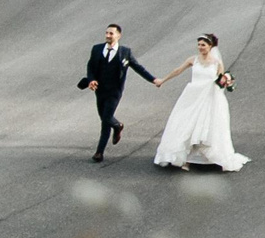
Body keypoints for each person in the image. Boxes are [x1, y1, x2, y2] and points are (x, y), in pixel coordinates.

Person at [151, 33, 248, 171]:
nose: (200, 47)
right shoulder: (193, 60)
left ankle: (209, 158)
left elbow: (220, 81)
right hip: (192, 96)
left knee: (205, 127)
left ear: (210, 46)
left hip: (209, 97)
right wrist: (163, 80)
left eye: (203, 45)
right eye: (199, 44)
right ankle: (185, 158)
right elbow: (178, 70)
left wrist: (226, 81)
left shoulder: (216, 62)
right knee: (187, 125)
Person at [79, 23, 155, 163]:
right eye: (107, 33)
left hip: (114, 91)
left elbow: (138, 68)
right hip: (100, 90)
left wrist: (153, 79)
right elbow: (90, 66)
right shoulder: (97, 49)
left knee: (106, 118)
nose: (108, 36)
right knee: (104, 117)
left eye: (111, 33)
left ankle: (99, 152)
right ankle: (117, 125)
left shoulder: (125, 52)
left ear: (118, 35)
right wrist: (92, 80)